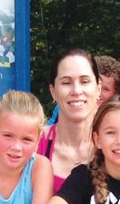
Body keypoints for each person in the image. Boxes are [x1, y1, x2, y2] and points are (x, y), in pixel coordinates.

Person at [39, 48, 101, 192]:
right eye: (66, 83)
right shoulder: (34, 144)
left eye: (84, 81)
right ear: (53, 91)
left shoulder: (116, 146)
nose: (76, 91)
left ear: (98, 88)